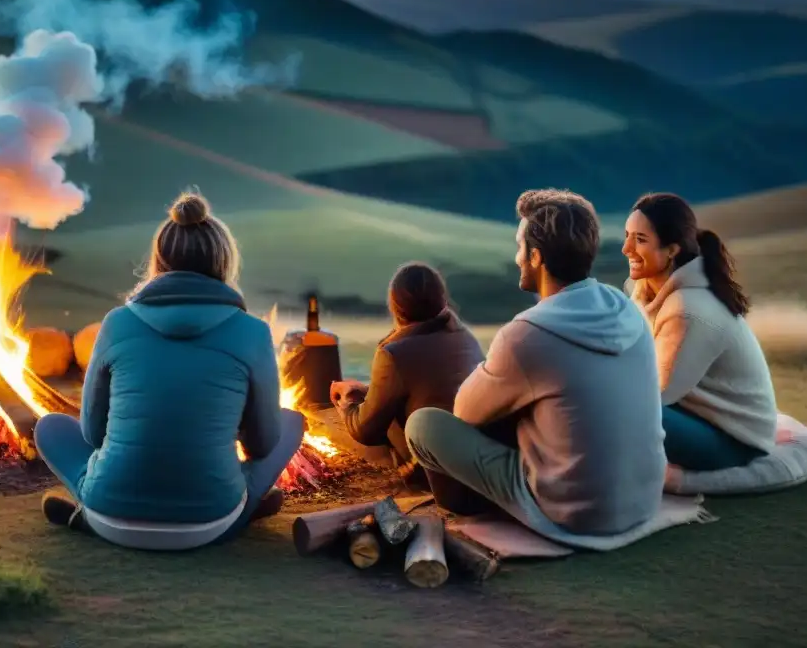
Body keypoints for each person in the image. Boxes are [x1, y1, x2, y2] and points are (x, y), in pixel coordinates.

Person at [33, 191, 304, 550]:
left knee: (50, 426)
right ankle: (245, 511)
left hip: (109, 514)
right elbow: (263, 444)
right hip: (210, 522)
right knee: (292, 422)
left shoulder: (116, 323)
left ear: (158, 261)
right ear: (224, 263)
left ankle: (86, 519)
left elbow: (93, 434)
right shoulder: (253, 331)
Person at [405, 189, 667, 540]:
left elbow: (465, 413)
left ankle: (471, 506)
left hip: (573, 513)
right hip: (643, 502)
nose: (516, 258)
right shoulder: (626, 310)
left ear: (536, 257)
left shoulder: (527, 334)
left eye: (520, 248)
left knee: (423, 425)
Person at [623, 192, 777, 471]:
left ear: (672, 249)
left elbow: (658, 396)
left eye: (640, 239)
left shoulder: (687, 310)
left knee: (616, 409)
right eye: (627, 236)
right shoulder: (645, 293)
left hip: (734, 442)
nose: (626, 248)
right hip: (694, 415)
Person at [329, 262, 484, 493]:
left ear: (395, 307)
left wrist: (348, 400)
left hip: (434, 473)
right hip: (475, 459)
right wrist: (367, 390)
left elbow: (365, 431)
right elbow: (424, 384)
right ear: (442, 299)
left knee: (350, 429)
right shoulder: (464, 336)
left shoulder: (394, 354)